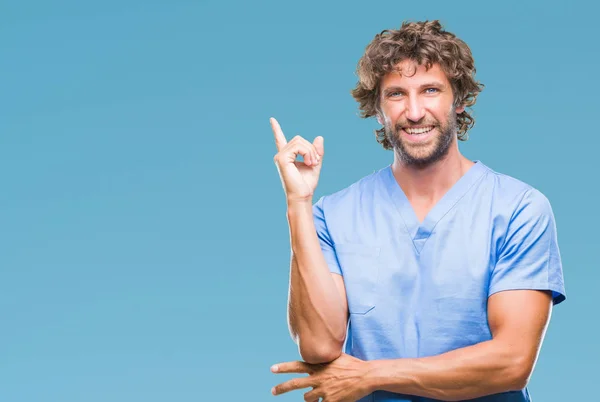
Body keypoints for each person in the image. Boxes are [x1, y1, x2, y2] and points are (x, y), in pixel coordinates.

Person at [269, 20, 566, 402]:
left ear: (458, 99)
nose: (413, 112)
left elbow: (512, 362)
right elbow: (319, 346)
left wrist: (371, 375)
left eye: (430, 90)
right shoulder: (333, 214)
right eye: (395, 94)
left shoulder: (518, 209)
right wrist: (299, 204)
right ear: (377, 109)